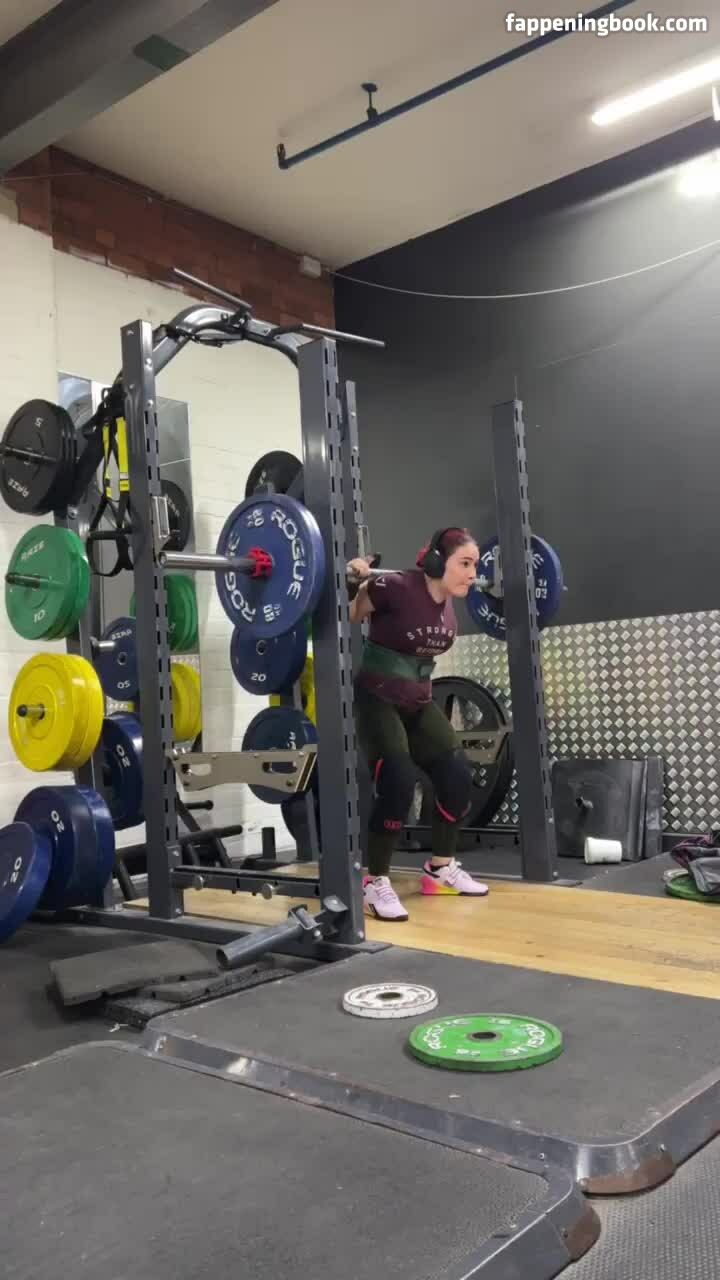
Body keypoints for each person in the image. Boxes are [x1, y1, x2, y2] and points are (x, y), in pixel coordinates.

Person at [348, 527, 489, 921]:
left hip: (417, 702)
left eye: (475, 565)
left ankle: (440, 869)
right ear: (437, 562)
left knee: (456, 771)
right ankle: (375, 880)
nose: (472, 574)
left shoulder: (447, 606)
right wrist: (352, 580)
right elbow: (350, 613)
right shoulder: (395, 587)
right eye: (465, 563)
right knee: (398, 777)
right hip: (377, 697)